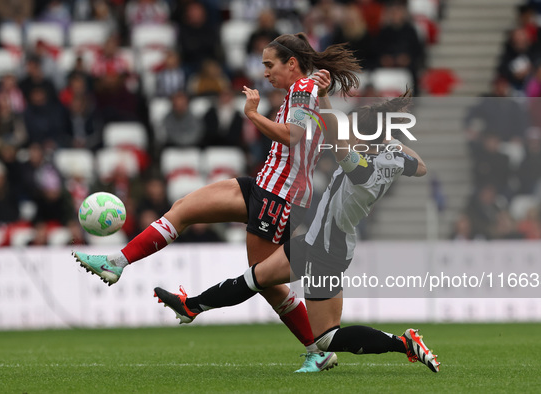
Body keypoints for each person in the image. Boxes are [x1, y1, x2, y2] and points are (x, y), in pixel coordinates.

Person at [73, 33, 361, 371]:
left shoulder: (301, 90)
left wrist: (252, 114)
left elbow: (291, 135)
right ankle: (117, 261)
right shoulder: (307, 91)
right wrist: (324, 97)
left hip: (279, 197)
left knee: (264, 282)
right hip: (264, 186)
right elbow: (325, 132)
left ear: (292, 64)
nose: (264, 72)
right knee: (183, 208)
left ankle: (318, 349)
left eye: (269, 65)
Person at [153, 81, 439, 373]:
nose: (349, 135)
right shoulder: (389, 159)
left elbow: (336, 138)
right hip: (318, 240)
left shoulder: (360, 169)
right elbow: (421, 166)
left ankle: (404, 343)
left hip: (326, 250)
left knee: (327, 338)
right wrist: (391, 143)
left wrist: (325, 98)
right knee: (256, 278)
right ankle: (192, 306)